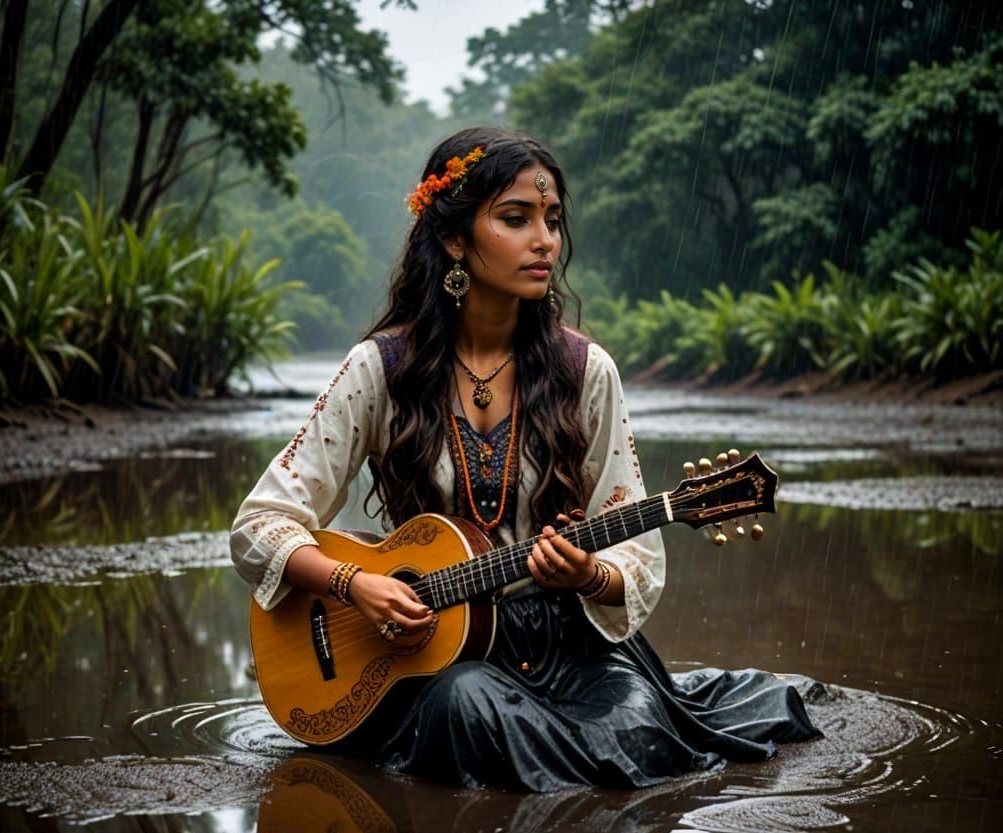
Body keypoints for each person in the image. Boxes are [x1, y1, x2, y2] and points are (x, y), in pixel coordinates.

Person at [230, 126, 820, 792]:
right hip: (430, 657)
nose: (545, 241)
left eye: (553, 221)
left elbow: (636, 546)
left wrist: (589, 574)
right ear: (455, 238)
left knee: (635, 725)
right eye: (517, 219)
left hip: (572, 648)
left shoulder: (585, 370)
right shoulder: (381, 370)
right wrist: (355, 585)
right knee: (468, 707)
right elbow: (260, 525)